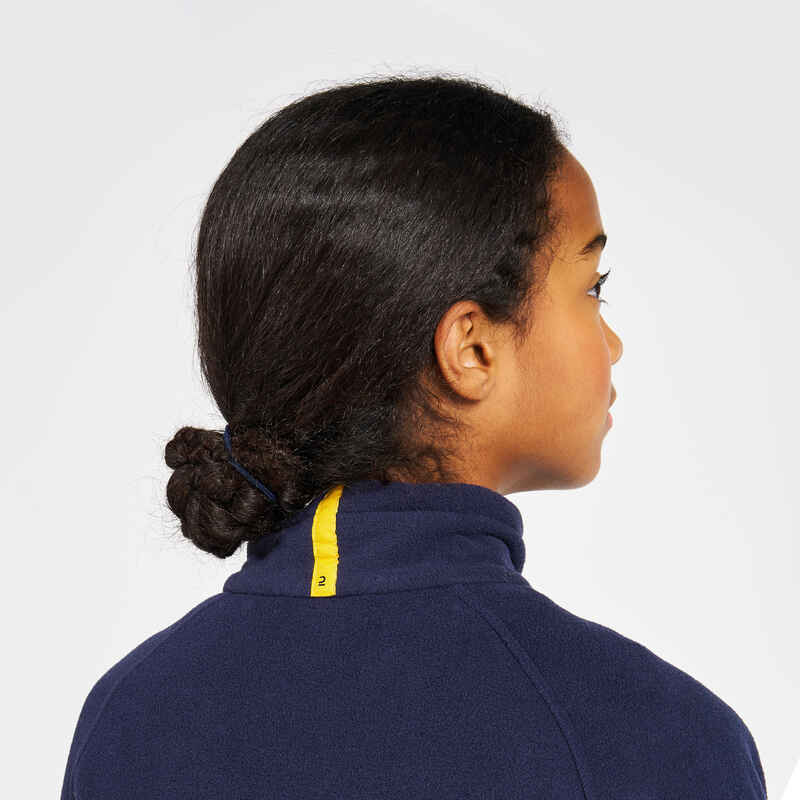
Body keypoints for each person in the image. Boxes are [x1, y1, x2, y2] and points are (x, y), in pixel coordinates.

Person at [59, 74, 768, 799]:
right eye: (592, 287)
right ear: (472, 349)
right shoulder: (653, 739)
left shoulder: (131, 717)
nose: (612, 343)